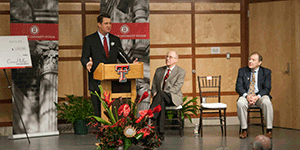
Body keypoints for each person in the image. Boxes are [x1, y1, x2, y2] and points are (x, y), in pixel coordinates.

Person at [81, 13, 137, 117]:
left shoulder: (115, 39)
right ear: (99, 24)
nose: (109, 26)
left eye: (110, 23)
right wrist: (87, 63)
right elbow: (84, 57)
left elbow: (121, 55)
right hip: (96, 80)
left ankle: (113, 129)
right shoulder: (90, 39)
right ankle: (100, 130)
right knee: (98, 109)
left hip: (113, 80)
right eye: (106, 23)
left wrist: (131, 64)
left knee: (113, 108)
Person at [235, 52, 273, 139]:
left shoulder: (266, 72)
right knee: (240, 103)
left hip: (260, 96)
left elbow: (267, 89)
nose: (250, 61)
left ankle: (269, 130)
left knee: (267, 102)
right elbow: (238, 87)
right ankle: (244, 129)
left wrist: (257, 97)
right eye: (250, 59)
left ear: (259, 62)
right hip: (246, 96)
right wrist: (247, 96)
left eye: (253, 60)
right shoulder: (242, 71)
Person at [150, 51, 186, 140]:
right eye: (167, 56)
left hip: (173, 97)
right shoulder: (159, 70)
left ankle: (151, 116)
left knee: (161, 94)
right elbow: (154, 85)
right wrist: (155, 93)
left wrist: (161, 93)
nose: (167, 59)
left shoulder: (181, 72)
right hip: (160, 97)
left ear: (176, 60)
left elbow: (176, 88)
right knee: (161, 102)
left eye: (170, 57)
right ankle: (160, 133)